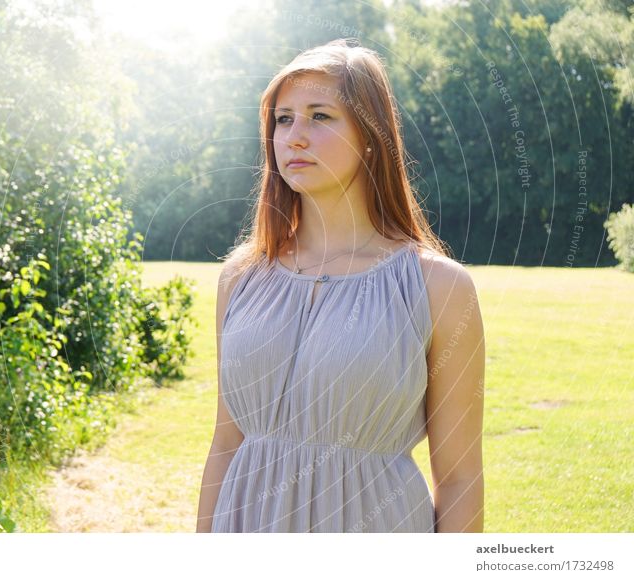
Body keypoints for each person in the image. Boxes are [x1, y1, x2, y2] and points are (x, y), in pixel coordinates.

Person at [196, 39, 484, 533]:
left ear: (370, 136)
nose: (295, 137)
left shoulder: (439, 287)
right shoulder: (241, 277)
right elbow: (226, 443)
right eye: (283, 119)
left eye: (320, 116)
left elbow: (460, 480)